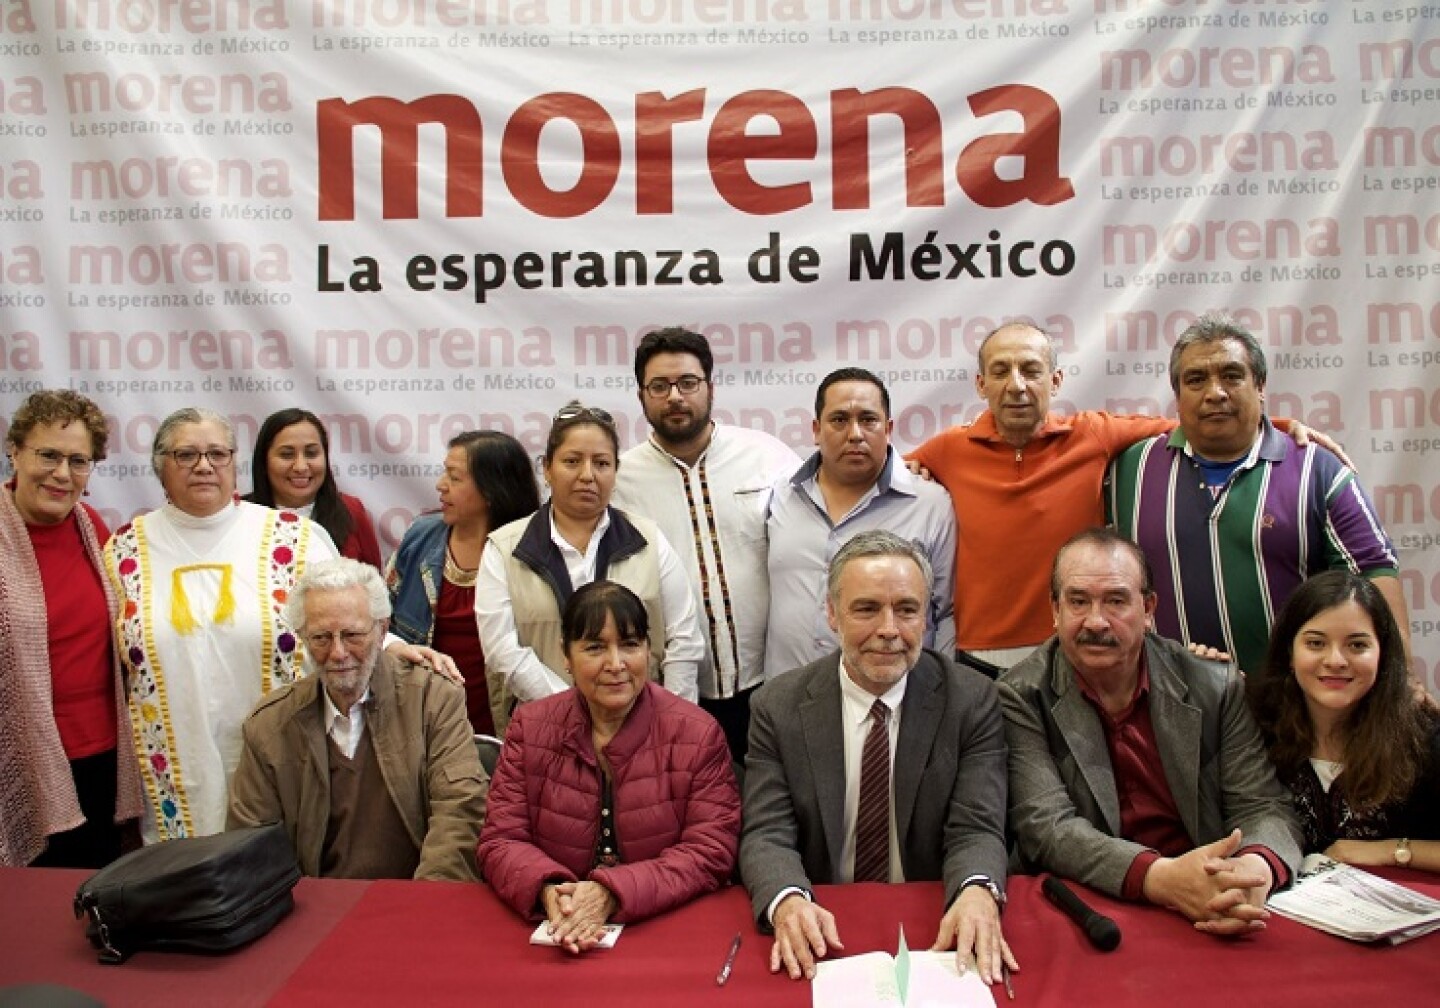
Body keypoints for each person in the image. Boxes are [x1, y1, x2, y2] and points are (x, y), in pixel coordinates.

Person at [908, 320, 1335, 677]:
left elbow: (1195, 424)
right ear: (981, 384)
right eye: (1001, 371)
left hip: (1072, 650)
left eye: (1031, 369)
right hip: (976, 657)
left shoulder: (1093, 435)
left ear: (1054, 380)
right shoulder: (947, 450)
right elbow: (882, 471)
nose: (1016, 385)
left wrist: (1272, 422)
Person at [102, 408, 450, 842]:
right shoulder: (124, 550)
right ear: (160, 466)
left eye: (217, 453)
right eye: (185, 455)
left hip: (281, 746)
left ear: (234, 461)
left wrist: (394, 645)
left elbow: (348, 607)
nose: (204, 466)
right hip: (175, 764)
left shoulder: (292, 536)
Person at [741, 530, 1013, 986]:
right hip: (823, 920)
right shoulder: (778, 706)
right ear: (831, 614)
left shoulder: (972, 700)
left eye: (906, 609)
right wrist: (787, 899)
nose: (889, 630)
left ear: (926, 617)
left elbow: (977, 827)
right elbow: (767, 832)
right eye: (866, 608)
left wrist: (976, 890)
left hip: (930, 924)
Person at [999, 528, 1303, 936]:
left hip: (1208, 893)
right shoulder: (1020, 696)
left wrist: (1252, 872)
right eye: (1078, 601)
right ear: (1055, 610)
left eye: (1116, 601)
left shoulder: (1214, 686)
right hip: (1089, 906)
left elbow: (1263, 806)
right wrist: (1163, 879)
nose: (1095, 621)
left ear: (1148, 608)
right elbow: (1048, 828)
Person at [1108, 313, 1406, 680]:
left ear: (1260, 386)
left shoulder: (1319, 470)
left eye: (1232, 376)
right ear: (1178, 394)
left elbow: (1374, 573)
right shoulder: (1128, 471)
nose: (1215, 393)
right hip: (1171, 706)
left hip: (1293, 708)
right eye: (1196, 379)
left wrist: (1404, 682)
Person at [476, 581, 739, 952]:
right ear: (565, 655)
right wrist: (548, 891)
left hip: (665, 932)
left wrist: (612, 893)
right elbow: (501, 839)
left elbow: (711, 850)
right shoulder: (529, 728)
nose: (616, 664)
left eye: (630, 645)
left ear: (649, 650)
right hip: (556, 927)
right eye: (595, 647)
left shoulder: (697, 734)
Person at [228, 559, 488, 880]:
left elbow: (460, 813)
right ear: (303, 638)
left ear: (381, 631)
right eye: (321, 638)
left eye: (352, 635)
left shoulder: (432, 699)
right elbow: (252, 846)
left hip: (417, 899)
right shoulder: (269, 726)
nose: (338, 653)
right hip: (315, 911)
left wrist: (426, 904)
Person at [612, 326, 802, 758]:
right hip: (671, 692)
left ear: (710, 387)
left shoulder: (767, 457)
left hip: (769, 683)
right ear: (641, 396)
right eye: (659, 386)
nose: (675, 396)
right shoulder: (620, 480)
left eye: (688, 383)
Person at [475, 402, 705, 735]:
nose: (587, 475)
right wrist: (577, 713)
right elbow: (503, 652)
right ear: (547, 469)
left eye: (601, 463)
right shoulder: (504, 549)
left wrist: (669, 725)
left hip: (644, 729)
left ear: (615, 471)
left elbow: (684, 641)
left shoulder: (649, 541)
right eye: (572, 461)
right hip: (545, 730)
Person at [1, 391, 143, 868]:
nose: (62, 474)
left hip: (102, 756)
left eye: (79, 461)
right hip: (19, 763)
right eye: (49, 455)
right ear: (14, 450)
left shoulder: (91, 527)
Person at [765, 369, 955, 680]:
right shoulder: (780, 495)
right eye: (839, 419)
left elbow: (945, 612)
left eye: (868, 420)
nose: (855, 433)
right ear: (816, 429)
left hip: (894, 701)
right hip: (790, 698)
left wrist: (942, 692)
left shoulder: (930, 504)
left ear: (888, 428)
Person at [1249, 571, 1440, 871]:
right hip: (1277, 912)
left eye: (1357, 645)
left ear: (1382, 654)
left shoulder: (1425, 737)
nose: (1336, 660)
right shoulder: (1253, 725)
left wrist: (1390, 851)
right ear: (1290, 652)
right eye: (1315, 643)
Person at [386, 431, 540, 735]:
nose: (440, 485)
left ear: (492, 490)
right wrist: (392, 647)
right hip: (424, 726)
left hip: (510, 730)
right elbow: (376, 618)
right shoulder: (420, 537)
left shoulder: (534, 550)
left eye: (454, 478)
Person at [245, 408, 381, 568]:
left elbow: (373, 585)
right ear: (264, 461)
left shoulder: (352, 511)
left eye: (311, 453)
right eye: (287, 455)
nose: (301, 466)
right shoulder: (241, 513)